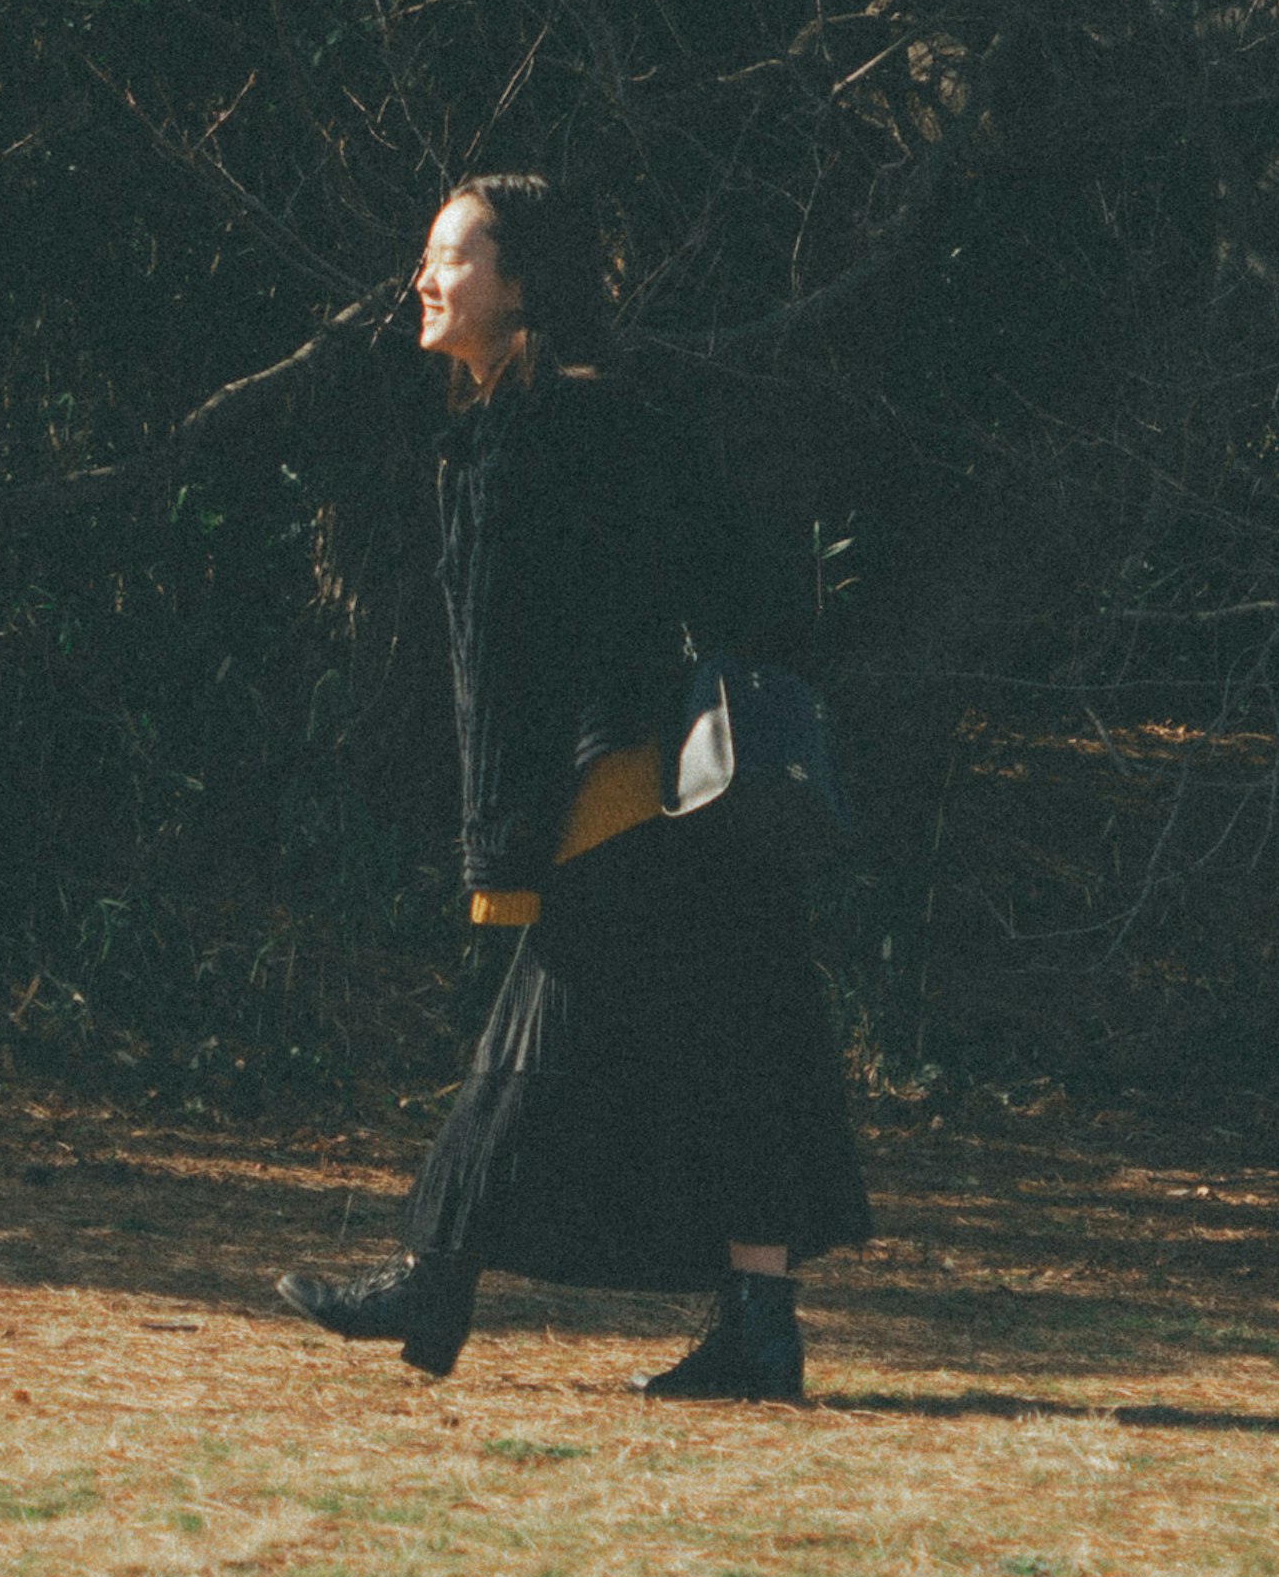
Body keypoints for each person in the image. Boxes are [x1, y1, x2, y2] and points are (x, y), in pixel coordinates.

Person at [276, 169, 871, 1400]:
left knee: (538, 1030)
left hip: (628, 787)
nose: (424, 277)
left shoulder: (526, 430)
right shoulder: (623, 413)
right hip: (707, 787)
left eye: (452, 256)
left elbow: (506, 665)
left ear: (523, 282)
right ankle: (755, 1324)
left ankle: (434, 1276)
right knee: (746, 1041)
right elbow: (749, 581)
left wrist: (502, 849)